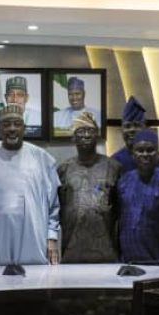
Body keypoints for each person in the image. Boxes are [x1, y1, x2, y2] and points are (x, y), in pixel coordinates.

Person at [0, 105, 61, 266]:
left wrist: (51, 237)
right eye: (6, 124)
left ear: (24, 128)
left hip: (33, 242)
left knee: (33, 286)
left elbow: (54, 205)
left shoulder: (41, 158)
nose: (12, 129)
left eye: (17, 124)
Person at [111, 129, 159, 266]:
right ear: (133, 154)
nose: (145, 154)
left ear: (157, 154)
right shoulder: (122, 182)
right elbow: (117, 222)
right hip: (127, 262)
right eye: (140, 150)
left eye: (150, 150)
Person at [56, 112, 118, 262]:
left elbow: (119, 210)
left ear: (97, 135)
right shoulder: (63, 169)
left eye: (90, 130)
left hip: (106, 250)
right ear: (73, 138)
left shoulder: (113, 167)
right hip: (71, 251)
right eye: (80, 131)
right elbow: (57, 209)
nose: (86, 135)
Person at [111, 96, 159, 174]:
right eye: (127, 126)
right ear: (121, 130)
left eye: (136, 125)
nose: (132, 130)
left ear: (145, 128)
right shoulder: (115, 161)